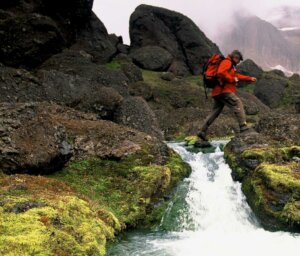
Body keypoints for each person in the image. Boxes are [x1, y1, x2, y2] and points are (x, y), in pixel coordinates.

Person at [198, 50, 257, 142]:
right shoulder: (227, 62)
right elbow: (221, 73)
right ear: (235, 57)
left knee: (215, 112)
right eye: (239, 60)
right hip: (223, 91)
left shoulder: (230, 65)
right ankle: (243, 127)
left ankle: (202, 131)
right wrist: (232, 79)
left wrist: (249, 78)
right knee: (237, 103)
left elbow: (236, 75)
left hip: (218, 92)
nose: (239, 62)